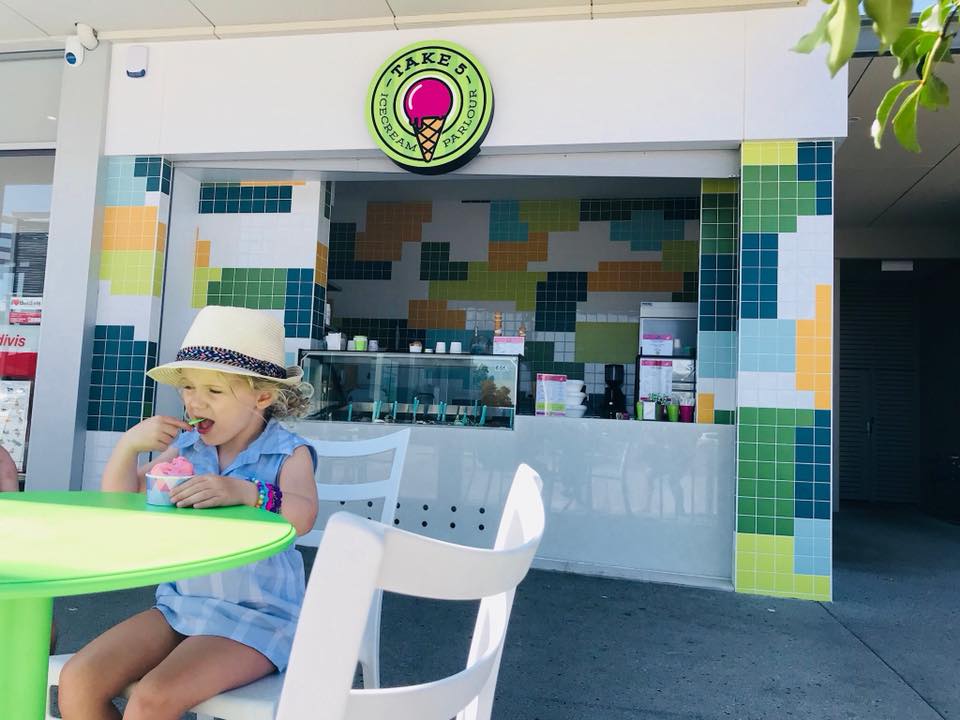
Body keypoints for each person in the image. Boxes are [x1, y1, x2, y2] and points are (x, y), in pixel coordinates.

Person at [58, 306, 319, 720]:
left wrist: (247, 492)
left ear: (263, 397)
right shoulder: (187, 450)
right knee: (78, 681)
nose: (195, 401)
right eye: (188, 388)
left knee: (152, 698)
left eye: (214, 392)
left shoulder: (288, 453)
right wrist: (128, 445)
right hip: (180, 606)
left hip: (259, 618)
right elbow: (119, 502)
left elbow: (304, 515)